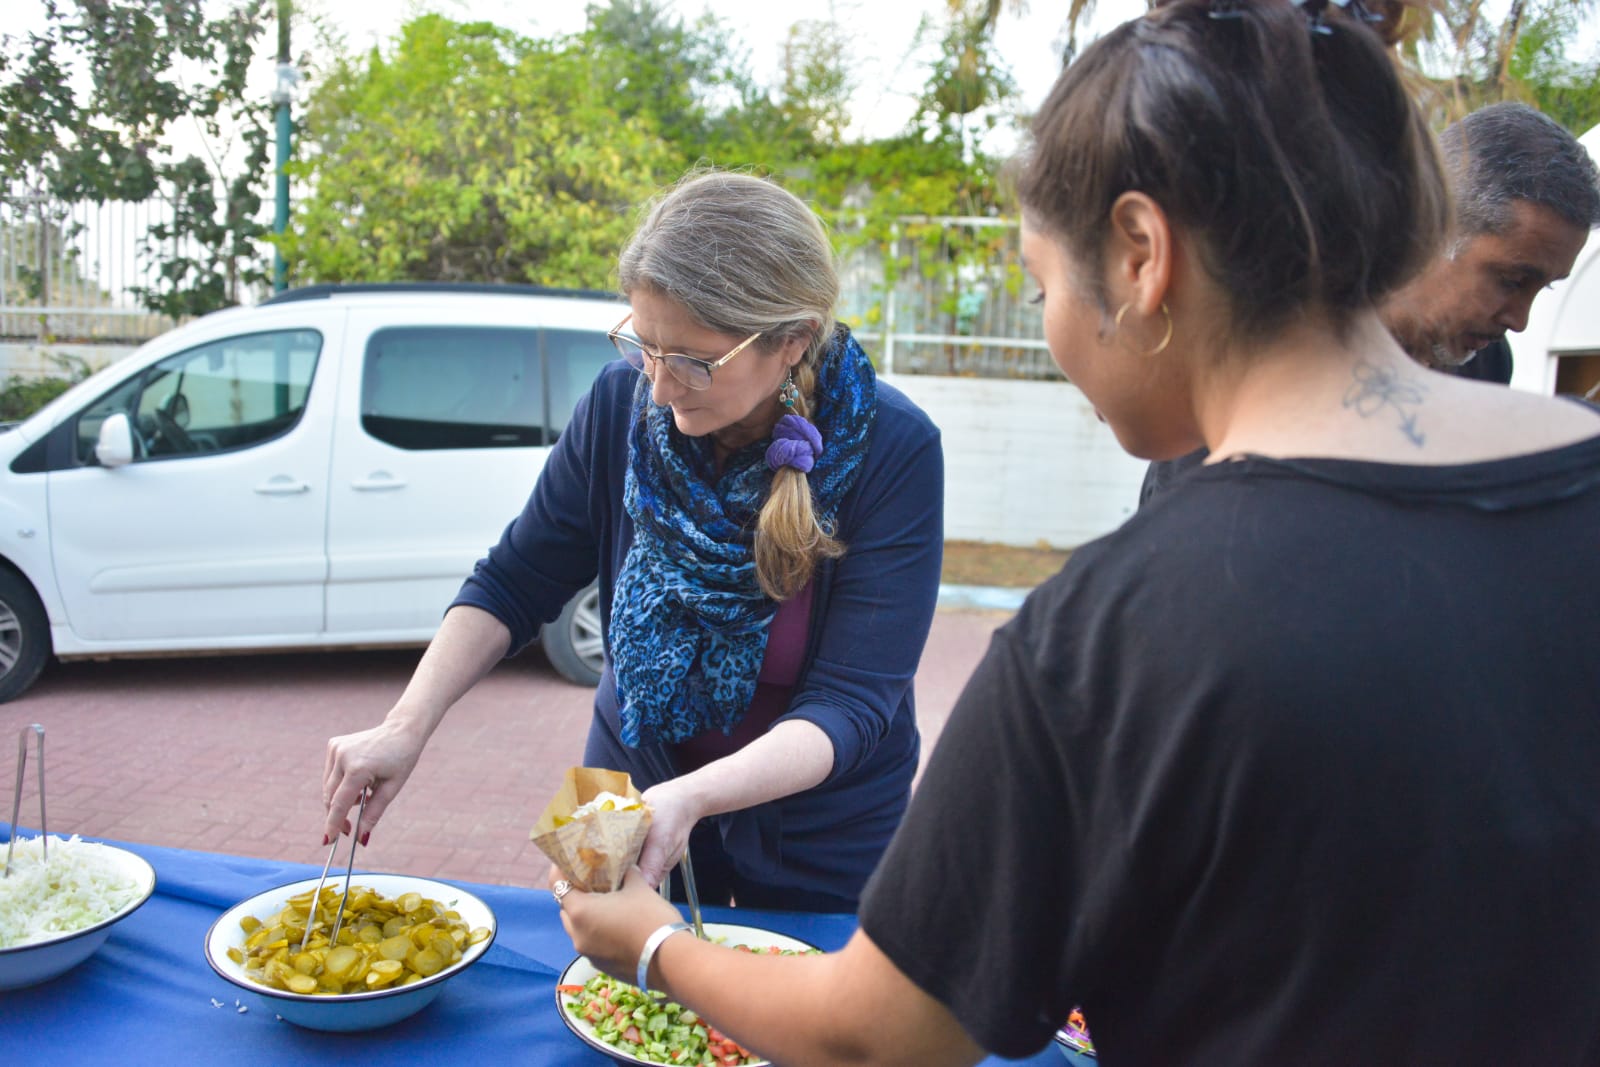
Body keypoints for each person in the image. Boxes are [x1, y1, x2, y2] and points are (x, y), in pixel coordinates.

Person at [550, 2, 1600, 1063]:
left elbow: (878, 1039)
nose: (1053, 333)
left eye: (1044, 283)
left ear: (1140, 253)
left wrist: (650, 948)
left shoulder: (1113, 632)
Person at [321, 170, 946, 913]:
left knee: (790, 1019)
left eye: (692, 360)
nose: (657, 387)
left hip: (821, 835)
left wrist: (693, 796)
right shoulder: (618, 406)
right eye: (641, 345)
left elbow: (851, 704)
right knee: (590, 991)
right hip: (619, 783)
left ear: (791, 341)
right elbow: (513, 581)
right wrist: (405, 725)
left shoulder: (894, 448)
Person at [1138, 98, 1600, 506]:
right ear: (1431, 220)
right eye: (1513, 280)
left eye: (1546, 288)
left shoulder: (1487, 362)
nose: (1520, 320)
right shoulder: (1276, 340)